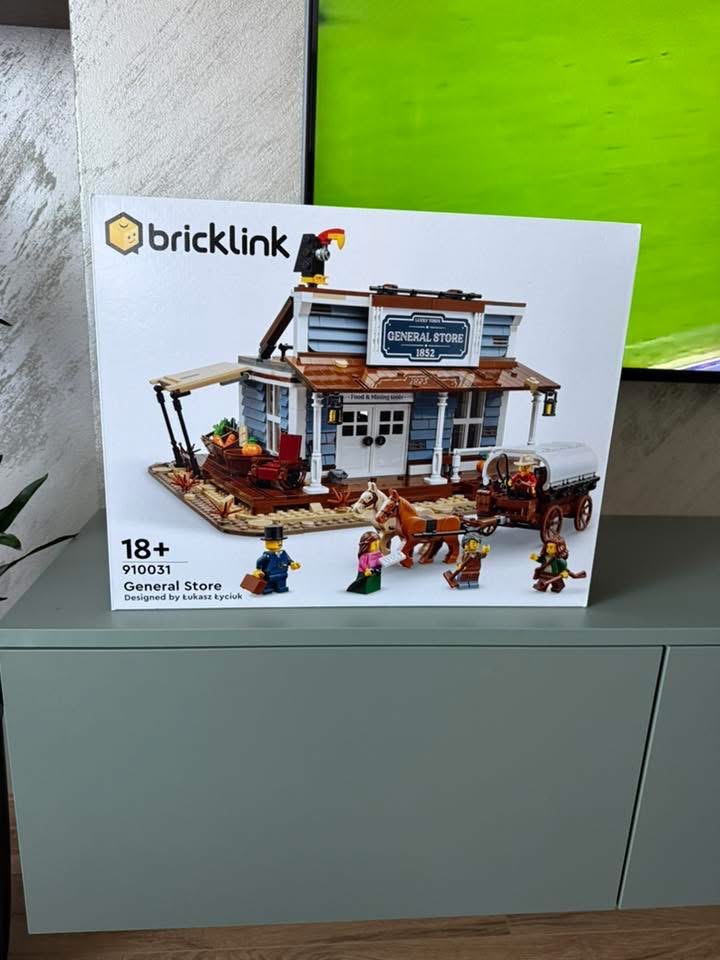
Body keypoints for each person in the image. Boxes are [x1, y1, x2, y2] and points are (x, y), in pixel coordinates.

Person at [252, 524, 300, 594]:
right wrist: (258, 570)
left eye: (280, 541)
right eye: (276, 541)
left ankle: (281, 587)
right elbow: (259, 561)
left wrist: (293, 563)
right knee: (268, 584)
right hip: (270, 575)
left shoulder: (283, 553)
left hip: (282, 574)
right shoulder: (267, 555)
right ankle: (268, 588)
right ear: (267, 543)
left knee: (281, 583)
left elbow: (288, 560)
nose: (279, 543)